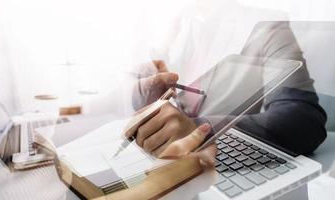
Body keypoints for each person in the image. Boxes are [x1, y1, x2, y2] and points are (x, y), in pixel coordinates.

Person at [129, 21, 327, 159]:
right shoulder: (183, 32)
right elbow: (182, 106)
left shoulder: (268, 29)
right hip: (160, 158)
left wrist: (198, 131)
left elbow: (304, 119)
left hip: (217, 162)